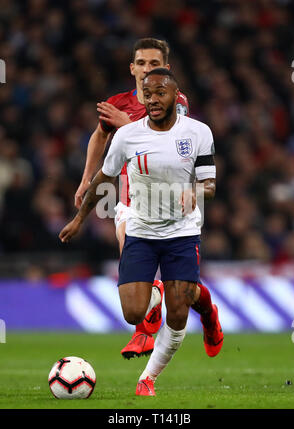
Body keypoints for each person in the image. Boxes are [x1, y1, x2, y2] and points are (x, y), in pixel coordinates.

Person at [59, 68, 222, 396]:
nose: (153, 100)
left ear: (176, 95)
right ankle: (183, 296)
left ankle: (147, 379)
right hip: (141, 230)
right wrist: (79, 219)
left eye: (160, 93)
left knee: (177, 315)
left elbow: (210, 183)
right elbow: (104, 179)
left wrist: (196, 191)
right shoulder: (128, 135)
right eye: (148, 95)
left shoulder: (199, 132)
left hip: (181, 232)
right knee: (134, 312)